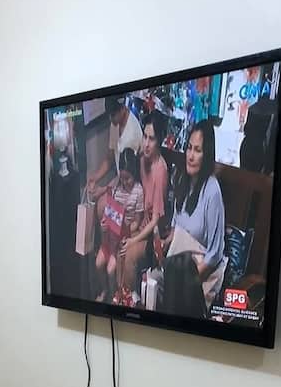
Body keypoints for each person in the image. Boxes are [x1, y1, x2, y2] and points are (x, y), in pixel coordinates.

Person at [159, 119, 226, 315]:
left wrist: (190, 281)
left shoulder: (212, 190)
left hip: (199, 277)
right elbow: (175, 229)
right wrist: (163, 245)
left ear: (207, 155)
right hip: (175, 269)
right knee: (151, 281)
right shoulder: (181, 179)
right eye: (189, 148)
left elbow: (215, 253)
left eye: (198, 150)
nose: (191, 155)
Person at [118, 112, 169, 292]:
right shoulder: (141, 158)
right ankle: (119, 294)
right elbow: (125, 179)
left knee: (129, 254)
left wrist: (134, 240)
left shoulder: (160, 170)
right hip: (138, 221)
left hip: (152, 233)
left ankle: (129, 298)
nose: (146, 143)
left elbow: (155, 221)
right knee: (119, 242)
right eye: (145, 137)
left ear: (159, 140)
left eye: (152, 139)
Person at [94, 148, 144, 303]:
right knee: (98, 263)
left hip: (124, 233)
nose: (124, 182)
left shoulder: (138, 191)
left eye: (127, 178)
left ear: (133, 174)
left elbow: (137, 221)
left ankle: (113, 296)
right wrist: (104, 223)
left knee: (111, 269)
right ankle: (104, 290)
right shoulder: (117, 187)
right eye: (122, 178)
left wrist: (126, 229)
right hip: (110, 235)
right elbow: (110, 210)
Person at [86, 96, 142, 219]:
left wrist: (103, 190)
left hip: (129, 186)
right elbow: (110, 157)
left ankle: (117, 229)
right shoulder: (115, 123)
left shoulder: (132, 135)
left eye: (113, 115)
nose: (111, 119)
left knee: (103, 207)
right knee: (99, 205)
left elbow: (127, 176)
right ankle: (108, 230)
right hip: (119, 181)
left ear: (122, 109)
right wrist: (95, 177)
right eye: (109, 116)